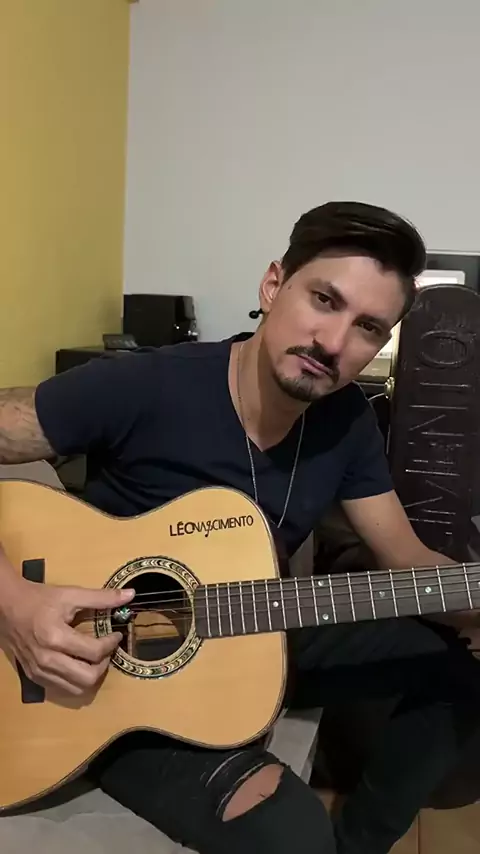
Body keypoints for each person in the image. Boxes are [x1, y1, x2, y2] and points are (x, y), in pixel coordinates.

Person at [0, 200, 479, 854]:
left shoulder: (347, 422)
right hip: (114, 674)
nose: (333, 343)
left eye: (368, 327)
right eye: (324, 300)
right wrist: (15, 602)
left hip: (259, 624)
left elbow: (409, 561)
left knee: (458, 675)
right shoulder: (144, 384)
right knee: (292, 835)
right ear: (273, 285)